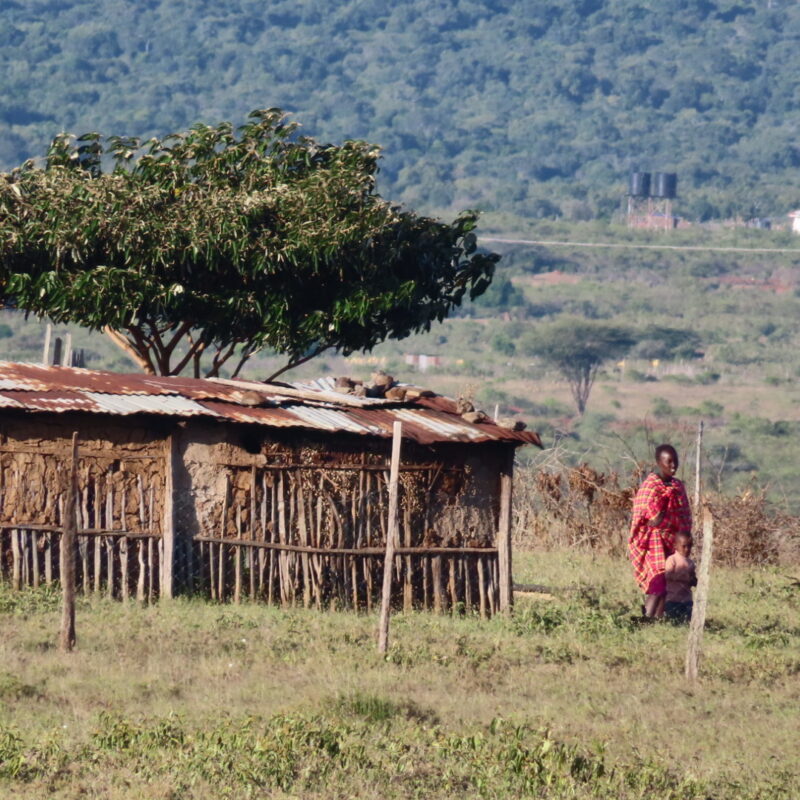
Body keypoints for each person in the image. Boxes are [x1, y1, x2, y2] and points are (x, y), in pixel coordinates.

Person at [628, 444, 692, 619]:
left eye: (675, 461)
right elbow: (647, 519)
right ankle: (646, 619)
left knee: (668, 581)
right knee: (657, 580)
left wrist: (684, 539)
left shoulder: (677, 486)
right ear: (658, 462)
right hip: (653, 541)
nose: (673, 466)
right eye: (668, 462)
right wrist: (662, 505)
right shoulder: (650, 486)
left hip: (674, 541)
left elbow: (684, 515)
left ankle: (658, 619)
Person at [664, 532, 696, 623]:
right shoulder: (672, 559)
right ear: (675, 546)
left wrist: (694, 581)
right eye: (684, 546)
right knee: (673, 622)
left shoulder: (691, 563)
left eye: (690, 546)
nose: (687, 549)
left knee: (687, 621)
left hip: (687, 599)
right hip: (673, 599)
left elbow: (693, 578)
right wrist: (684, 578)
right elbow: (668, 575)